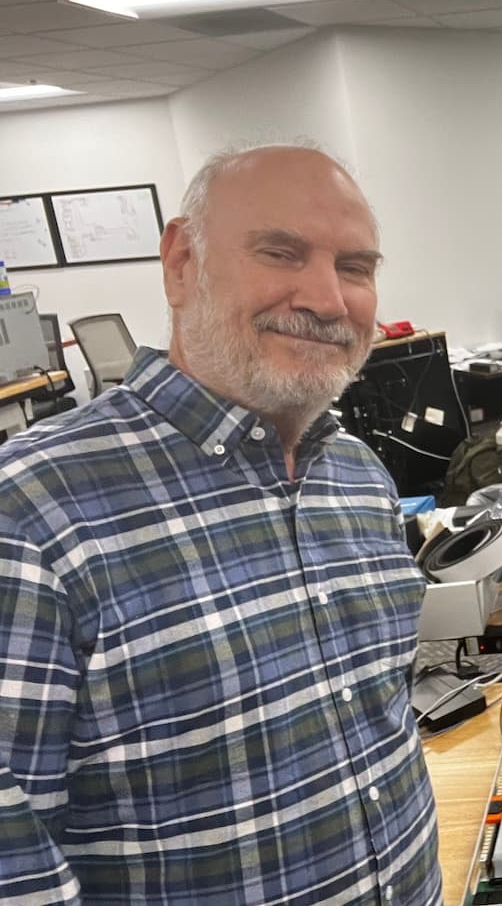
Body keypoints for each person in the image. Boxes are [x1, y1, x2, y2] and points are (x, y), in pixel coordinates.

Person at [0, 146, 442, 903]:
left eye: (357, 267)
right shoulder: (31, 512)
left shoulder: (358, 478)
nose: (329, 299)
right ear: (180, 264)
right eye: (281, 252)